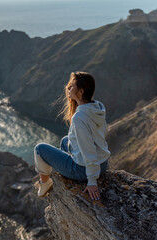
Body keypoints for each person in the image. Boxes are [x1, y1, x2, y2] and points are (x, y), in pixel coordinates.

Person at [34, 71, 110, 201]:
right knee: (65, 141)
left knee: (39, 149)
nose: (68, 88)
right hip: (103, 164)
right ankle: (68, 167)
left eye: (72, 86)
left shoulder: (79, 118)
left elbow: (89, 150)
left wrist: (92, 181)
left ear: (81, 92)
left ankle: (45, 183)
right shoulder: (97, 108)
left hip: (83, 171)